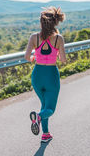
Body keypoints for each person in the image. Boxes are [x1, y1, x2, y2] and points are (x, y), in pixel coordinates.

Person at [24, 7, 67, 142]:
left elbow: (26, 57)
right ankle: (38, 117)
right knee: (50, 109)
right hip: (51, 75)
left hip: (37, 75)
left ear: (41, 23)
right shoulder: (58, 39)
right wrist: (59, 54)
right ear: (55, 23)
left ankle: (46, 134)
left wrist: (33, 58)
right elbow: (63, 60)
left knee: (44, 104)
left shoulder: (34, 37)